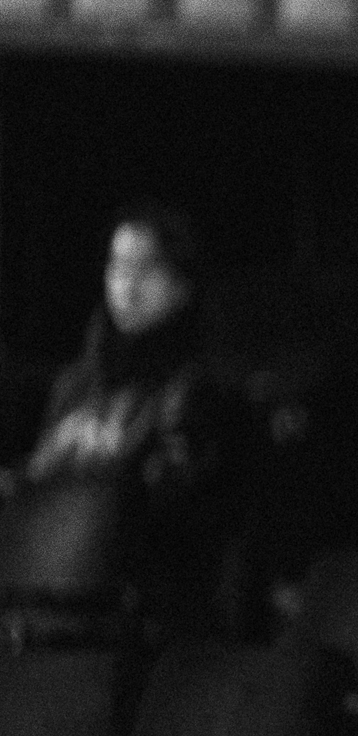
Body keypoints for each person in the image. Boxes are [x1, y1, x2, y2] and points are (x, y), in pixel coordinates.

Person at [9, 200, 246, 641]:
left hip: (147, 614)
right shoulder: (76, 385)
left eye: (147, 269)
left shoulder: (199, 388)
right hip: (51, 599)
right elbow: (38, 486)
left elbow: (183, 519)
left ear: (182, 284)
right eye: (118, 267)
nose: (128, 286)